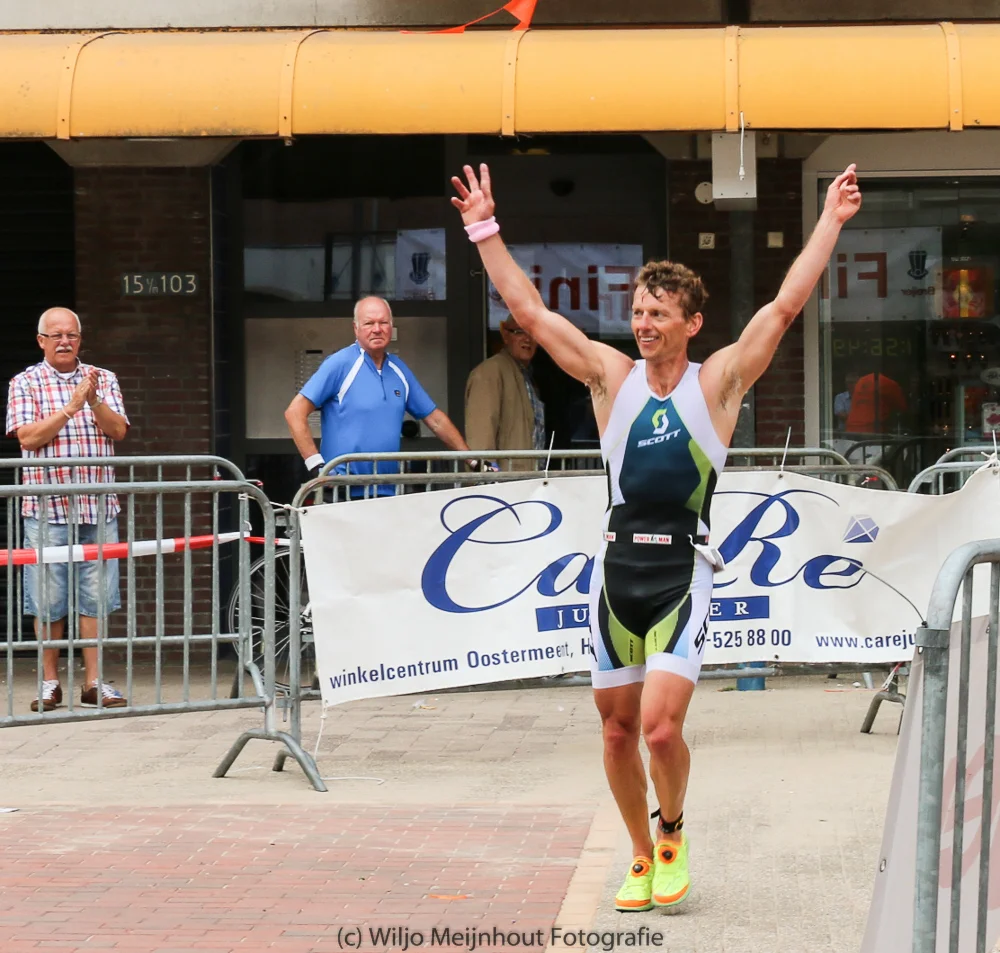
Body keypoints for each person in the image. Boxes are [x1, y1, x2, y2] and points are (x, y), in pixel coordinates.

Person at [451, 161, 861, 911]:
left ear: (690, 324)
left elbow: (784, 306)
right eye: (638, 312)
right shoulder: (610, 377)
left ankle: (672, 830)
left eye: (658, 314)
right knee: (616, 734)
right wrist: (484, 229)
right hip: (616, 576)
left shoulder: (719, 383)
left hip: (683, 574)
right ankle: (639, 855)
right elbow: (531, 313)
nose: (643, 324)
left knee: (660, 729)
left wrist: (830, 221)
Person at [6, 307, 130, 712]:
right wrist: (70, 408)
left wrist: (93, 400)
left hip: (98, 506)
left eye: (71, 335)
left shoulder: (103, 378)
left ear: (80, 339)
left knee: (96, 595)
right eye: (56, 335)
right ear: (40, 341)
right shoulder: (25, 381)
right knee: (47, 598)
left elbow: (118, 430)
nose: (64, 342)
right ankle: (49, 683)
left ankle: (94, 682)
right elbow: (28, 438)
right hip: (46, 508)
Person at [284, 296, 472, 493]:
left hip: (385, 492)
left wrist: (473, 461)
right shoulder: (340, 364)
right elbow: (295, 413)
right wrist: (317, 467)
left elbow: (436, 420)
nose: (377, 329)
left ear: (391, 326)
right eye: (369, 323)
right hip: (341, 492)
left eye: (383, 322)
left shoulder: (398, 369)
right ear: (355, 328)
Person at [464, 314, 546, 471]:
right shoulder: (490, 372)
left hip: (526, 479)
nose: (527, 339)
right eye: (519, 332)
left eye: (533, 332)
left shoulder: (526, 375)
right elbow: (480, 437)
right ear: (505, 335)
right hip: (504, 482)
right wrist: (487, 477)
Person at [845, 369, 906, 434]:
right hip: (871, 430)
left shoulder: (860, 381)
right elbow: (902, 407)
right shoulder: (890, 383)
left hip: (851, 428)